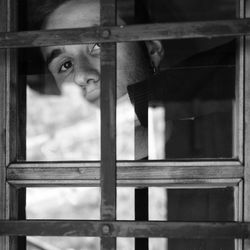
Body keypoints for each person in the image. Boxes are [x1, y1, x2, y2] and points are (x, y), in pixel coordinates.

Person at [31, 0, 235, 159]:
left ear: (151, 49)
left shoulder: (230, 144)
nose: (81, 75)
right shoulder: (57, 190)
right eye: (65, 65)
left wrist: (139, 101)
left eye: (101, 45)